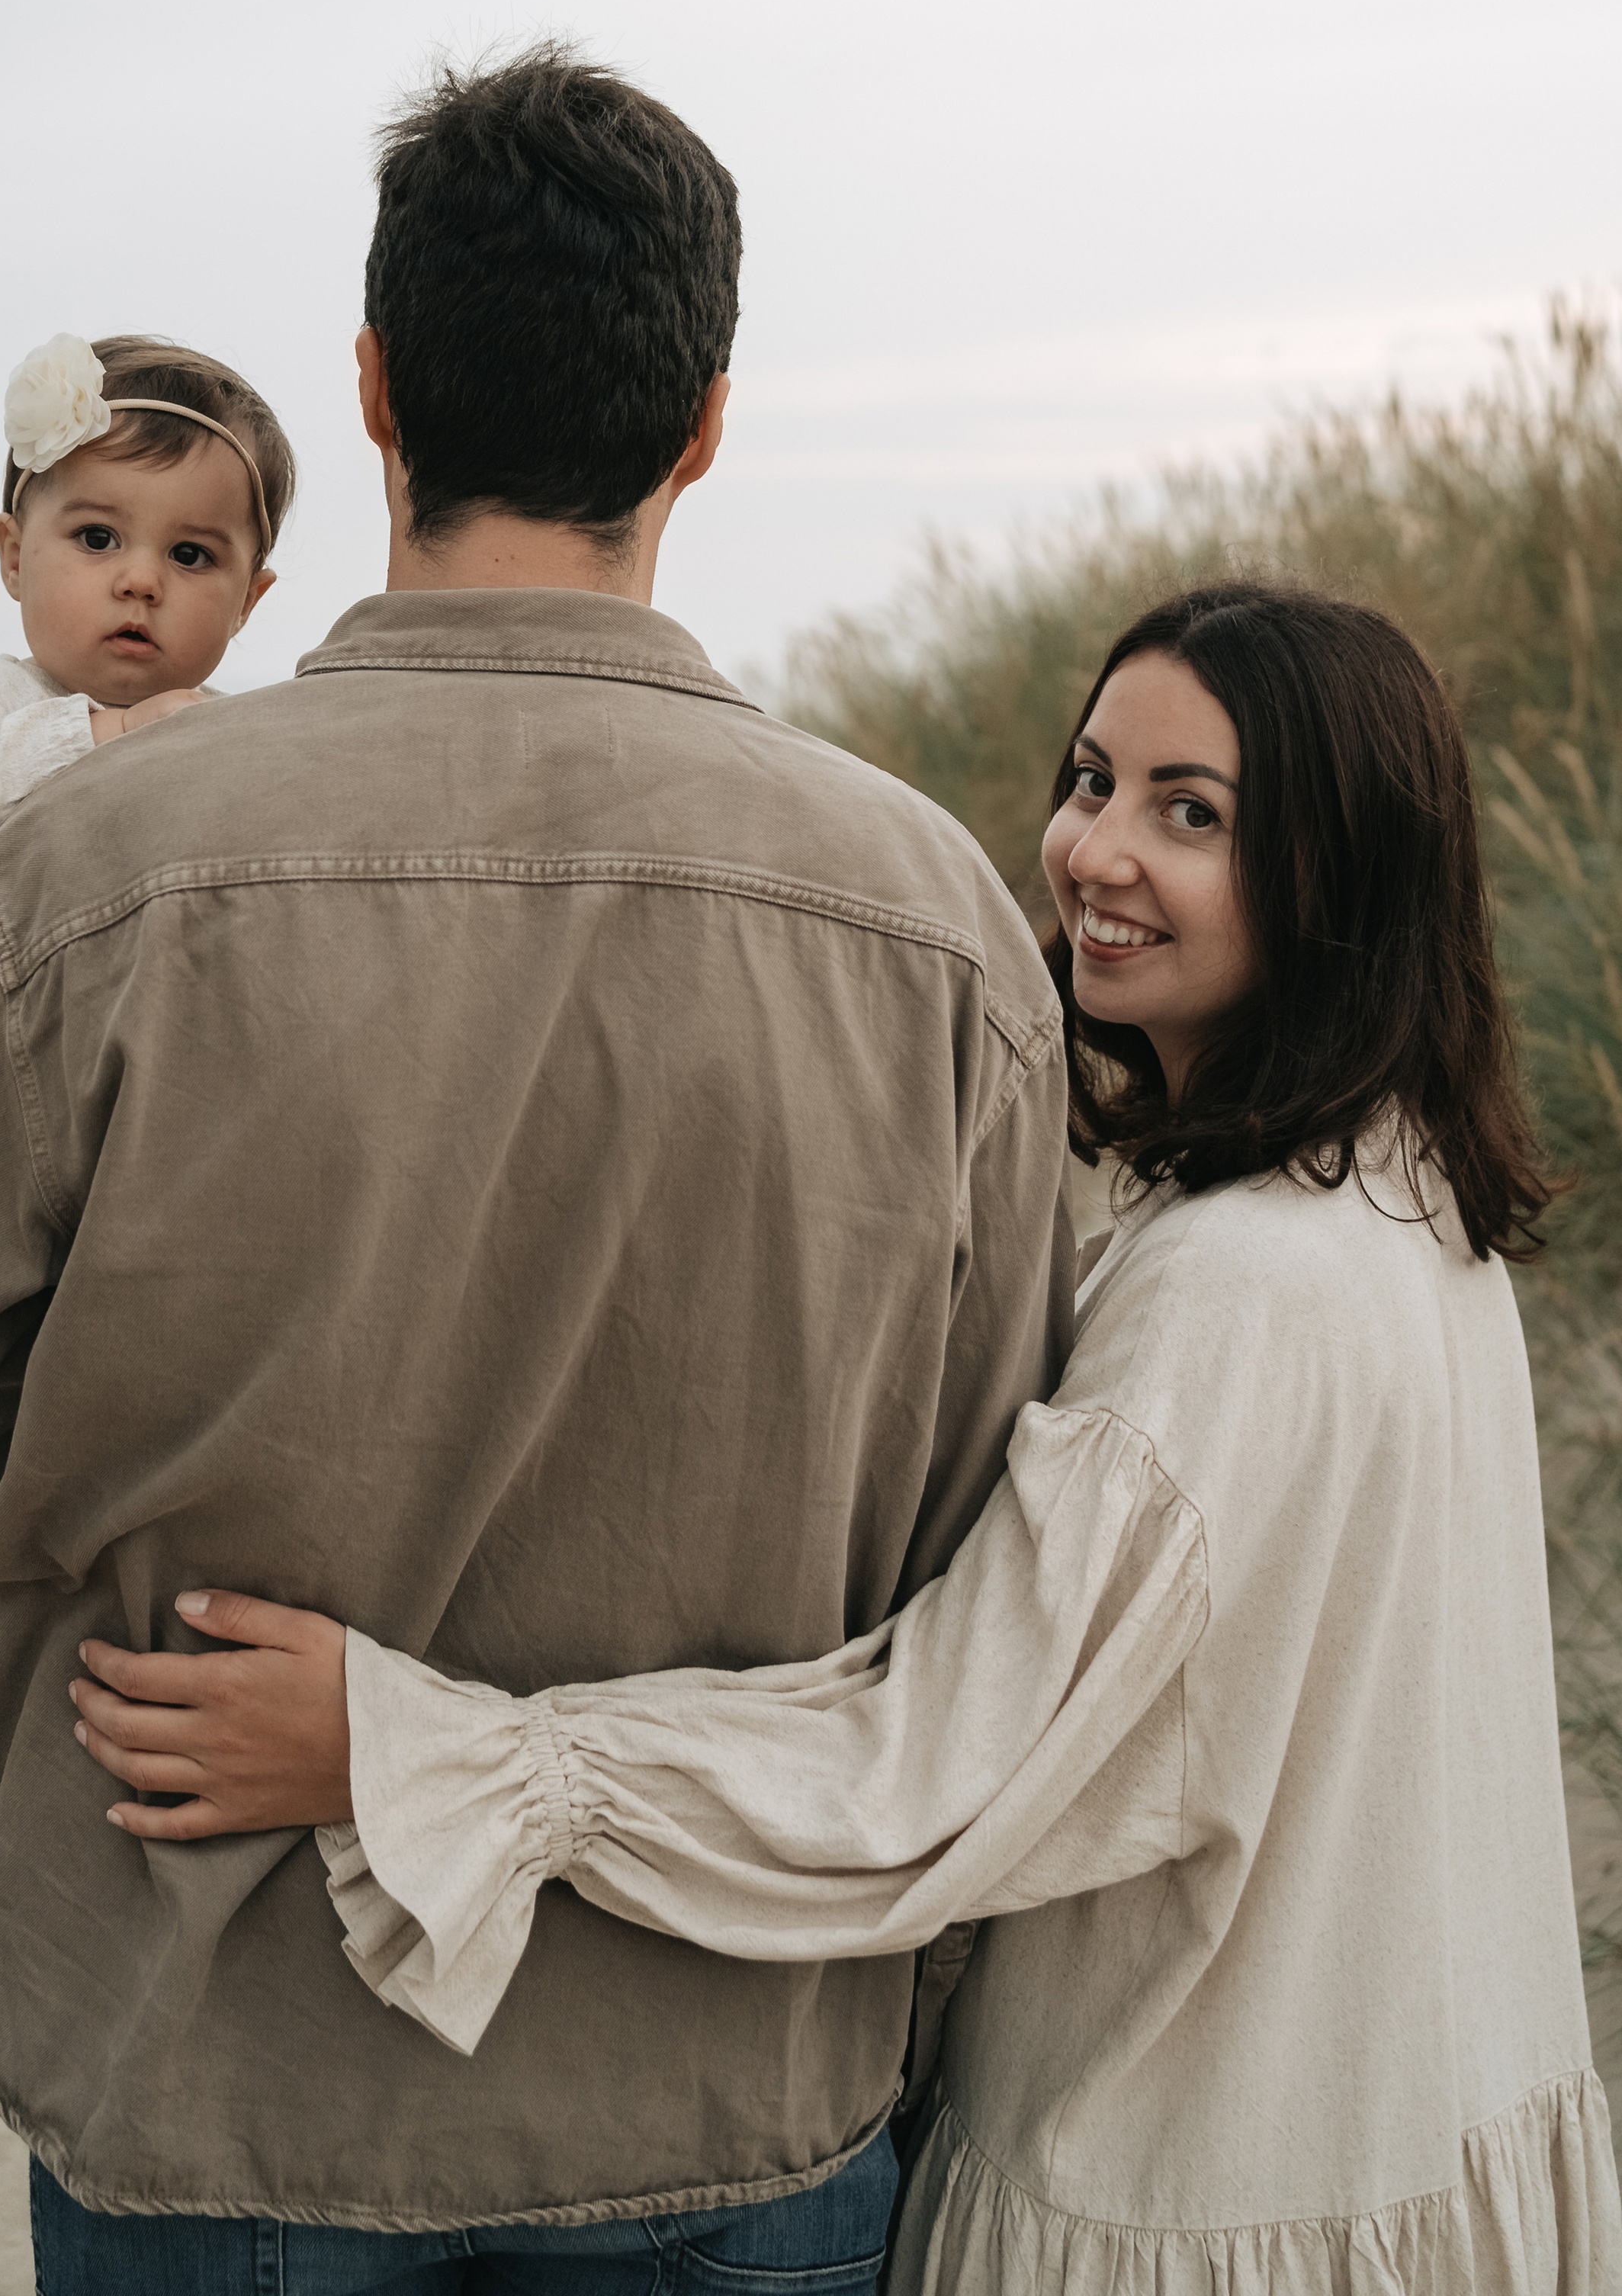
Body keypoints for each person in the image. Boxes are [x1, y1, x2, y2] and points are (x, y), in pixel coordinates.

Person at [0, 47, 1074, 2285]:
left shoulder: (86, 870)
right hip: (728, 2080)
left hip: (206, 2056)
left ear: (374, 391)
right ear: (700, 424)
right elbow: (970, 1544)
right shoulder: (938, 923)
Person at [79, 585, 1621, 2292]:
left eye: (1193, 815)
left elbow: (930, 1773)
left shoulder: (1238, 1289)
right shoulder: (1415, 1211)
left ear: (1348, 873)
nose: (1095, 852)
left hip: (1188, 2185)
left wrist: (423, 1760)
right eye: (1091, 779)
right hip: (1414, 2138)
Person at [0, 331, 293, 882]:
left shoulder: (229, 735)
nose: (141, 582)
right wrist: (109, 734)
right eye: (97, 538)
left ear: (246, 600)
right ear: (17, 558)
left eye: (189, 554)